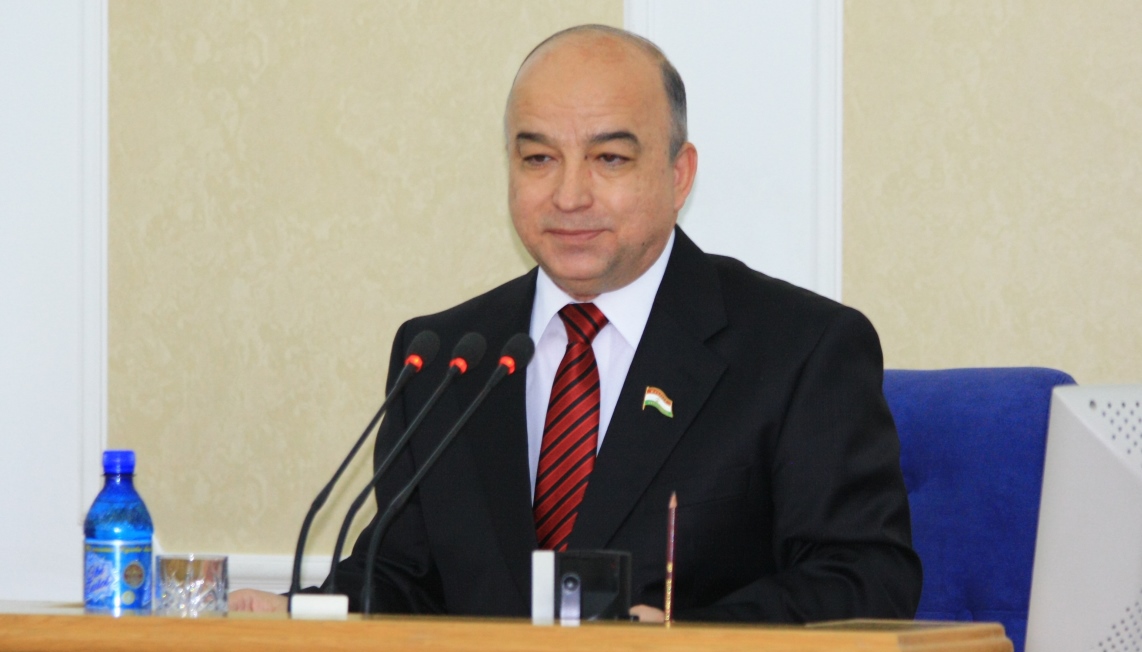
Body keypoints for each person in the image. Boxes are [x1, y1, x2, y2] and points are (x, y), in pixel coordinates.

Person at [233, 24, 922, 621]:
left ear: (679, 176)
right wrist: (290, 614)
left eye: (609, 158)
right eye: (539, 158)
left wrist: (687, 642)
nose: (568, 195)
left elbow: (865, 579)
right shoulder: (445, 358)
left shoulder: (799, 349)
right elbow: (403, 580)